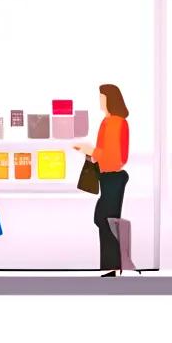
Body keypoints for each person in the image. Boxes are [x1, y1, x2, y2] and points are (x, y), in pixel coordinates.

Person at [74, 83, 130, 277]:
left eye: (101, 96)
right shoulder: (110, 121)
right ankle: (112, 266)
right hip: (109, 177)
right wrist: (92, 153)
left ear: (109, 99)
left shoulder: (114, 122)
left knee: (105, 221)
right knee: (105, 221)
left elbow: (114, 156)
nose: (99, 100)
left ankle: (112, 267)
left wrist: (90, 150)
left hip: (112, 177)